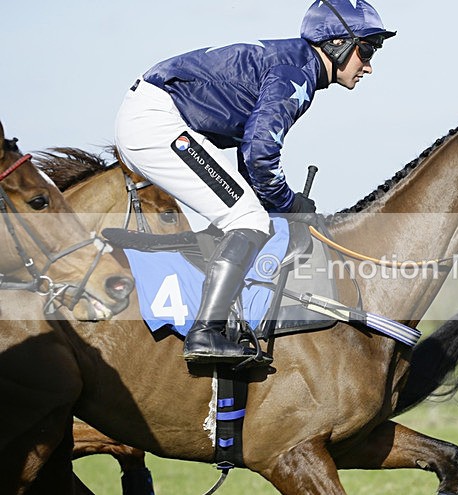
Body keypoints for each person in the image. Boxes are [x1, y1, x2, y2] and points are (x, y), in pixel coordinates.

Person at [114, 0, 395, 363]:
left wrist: (277, 203)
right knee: (247, 218)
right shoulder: (296, 74)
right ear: (337, 44)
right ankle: (205, 332)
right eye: (367, 50)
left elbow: (250, 156)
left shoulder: (297, 65)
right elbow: (260, 155)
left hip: (153, 116)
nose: (369, 65)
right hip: (155, 121)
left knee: (249, 213)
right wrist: (290, 203)